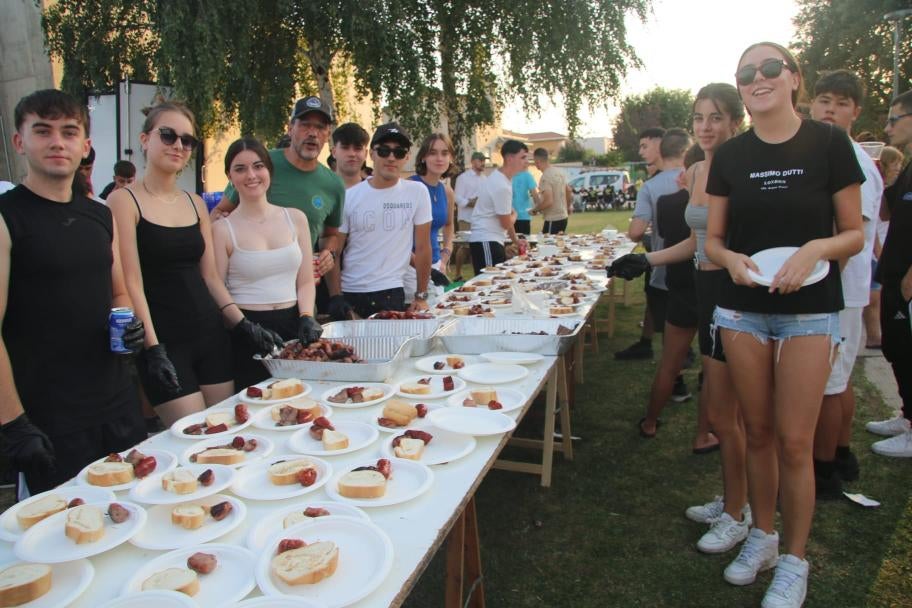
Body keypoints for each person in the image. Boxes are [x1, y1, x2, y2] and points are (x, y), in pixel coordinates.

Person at [705, 42, 863, 607]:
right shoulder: (730, 155)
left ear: (794, 78)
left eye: (770, 68)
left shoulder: (829, 143)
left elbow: (854, 233)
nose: (758, 78)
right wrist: (729, 262)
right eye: (746, 72)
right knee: (760, 431)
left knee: (796, 442)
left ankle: (795, 560)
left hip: (810, 310)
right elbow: (716, 241)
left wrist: (817, 245)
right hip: (743, 307)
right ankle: (763, 537)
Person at [0, 89, 146, 494]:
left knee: (131, 508)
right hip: (49, 416)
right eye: (42, 131)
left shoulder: (99, 215)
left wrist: (128, 321)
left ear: (85, 145)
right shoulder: (7, 218)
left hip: (117, 402)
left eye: (68, 132)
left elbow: (118, 291)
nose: (57, 142)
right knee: (65, 534)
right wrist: (13, 425)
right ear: (20, 141)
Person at [109, 102, 282, 426]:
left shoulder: (195, 202)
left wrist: (242, 324)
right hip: (164, 340)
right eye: (168, 135)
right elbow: (131, 283)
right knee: (195, 438)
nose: (178, 145)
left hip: (210, 336)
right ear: (145, 139)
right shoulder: (123, 200)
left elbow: (211, 278)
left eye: (187, 140)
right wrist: (153, 348)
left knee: (224, 437)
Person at [808, 70, 883, 496]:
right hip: (833, 287)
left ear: (856, 111)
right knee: (839, 378)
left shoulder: (854, 161)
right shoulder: (826, 154)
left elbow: (854, 236)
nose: (829, 110)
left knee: (830, 383)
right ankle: (840, 452)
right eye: (823, 101)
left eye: (840, 103)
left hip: (840, 289)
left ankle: (823, 471)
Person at [210, 97, 346, 319]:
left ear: (327, 134)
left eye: (320, 127)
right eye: (305, 125)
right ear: (290, 128)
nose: (312, 133)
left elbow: (331, 235)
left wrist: (328, 253)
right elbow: (219, 213)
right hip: (249, 298)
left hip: (300, 296)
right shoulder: (259, 166)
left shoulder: (333, 184)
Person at [212, 137, 322, 389]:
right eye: (240, 169)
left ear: (269, 171)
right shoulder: (221, 230)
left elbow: (305, 280)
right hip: (246, 331)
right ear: (230, 176)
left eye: (258, 166)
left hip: (294, 327)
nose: (251, 175)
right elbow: (216, 287)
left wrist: (306, 316)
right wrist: (244, 326)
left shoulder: (296, 219)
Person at [332, 122, 432, 318]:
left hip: (391, 291)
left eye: (399, 152)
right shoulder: (349, 196)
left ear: (407, 157)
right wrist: (336, 296)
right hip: (351, 292)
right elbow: (336, 251)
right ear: (372, 154)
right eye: (384, 151)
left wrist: (421, 295)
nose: (391, 158)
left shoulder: (417, 192)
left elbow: (423, 248)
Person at [867, 90, 912, 457]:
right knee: (896, 347)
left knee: (908, 349)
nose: (887, 127)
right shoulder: (908, 165)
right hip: (894, 273)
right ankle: (907, 414)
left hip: (907, 278)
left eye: (894, 119)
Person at [615, 128, 666, 361]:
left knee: (666, 304)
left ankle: (677, 369)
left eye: (645, 145)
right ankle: (647, 344)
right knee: (654, 297)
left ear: (660, 144)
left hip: (666, 256)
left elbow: (635, 232)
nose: (640, 151)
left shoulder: (655, 185)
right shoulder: (690, 174)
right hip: (668, 253)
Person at [863, 145, 904, 349]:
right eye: (895, 163)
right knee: (874, 297)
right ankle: (874, 336)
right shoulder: (877, 189)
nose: (899, 168)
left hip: (881, 251)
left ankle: (877, 334)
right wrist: (880, 254)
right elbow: (873, 229)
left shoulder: (888, 190)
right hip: (875, 253)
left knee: (877, 296)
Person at [469, 140, 524, 274]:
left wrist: (515, 240)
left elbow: (504, 214)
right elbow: (506, 222)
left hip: (491, 240)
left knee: (496, 285)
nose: (526, 161)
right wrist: (515, 215)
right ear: (510, 158)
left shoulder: (503, 180)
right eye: (522, 157)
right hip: (486, 240)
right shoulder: (501, 184)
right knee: (490, 285)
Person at [408, 133, 455, 281]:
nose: (439, 158)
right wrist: (420, 266)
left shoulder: (447, 191)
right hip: (408, 268)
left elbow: (449, 224)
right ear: (423, 157)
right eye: (433, 153)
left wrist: (445, 255)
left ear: (451, 158)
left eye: (445, 153)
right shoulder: (409, 187)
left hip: (436, 265)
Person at [453, 152, 487, 277]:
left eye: (484, 160)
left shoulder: (485, 178)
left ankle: (478, 273)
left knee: (478, 246)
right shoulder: (463, 178)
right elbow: (456, 197)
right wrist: (470, 202)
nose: (483, 163)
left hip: (481, 218)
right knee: (465, 247)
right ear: (473, 162)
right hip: (466, 218)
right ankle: (457, 274)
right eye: (480, 160)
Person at [530, 148, 572, 234]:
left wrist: (535, 210)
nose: (534, 164)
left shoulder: (545, 177)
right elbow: (569, 190)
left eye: (534, 161)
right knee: (558, 245)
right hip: (563, 217)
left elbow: (548, 201)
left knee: (547, 245)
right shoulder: (559, 172)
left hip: (553, 219)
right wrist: (567, 207)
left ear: (538, 161)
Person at [331, 122, 369, 189]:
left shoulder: (374, 192)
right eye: (345, 147)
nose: (352, 154)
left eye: (358, 148)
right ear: (334, 152)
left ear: (366, 154)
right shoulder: (318, 189)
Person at [511, 167, 538, 235]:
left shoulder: (507, 174)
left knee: (508, 243)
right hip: (523, 217)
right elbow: (535, 194)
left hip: (509, 216)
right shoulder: (527, 175)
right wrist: (536, 210)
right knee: (523, 243)